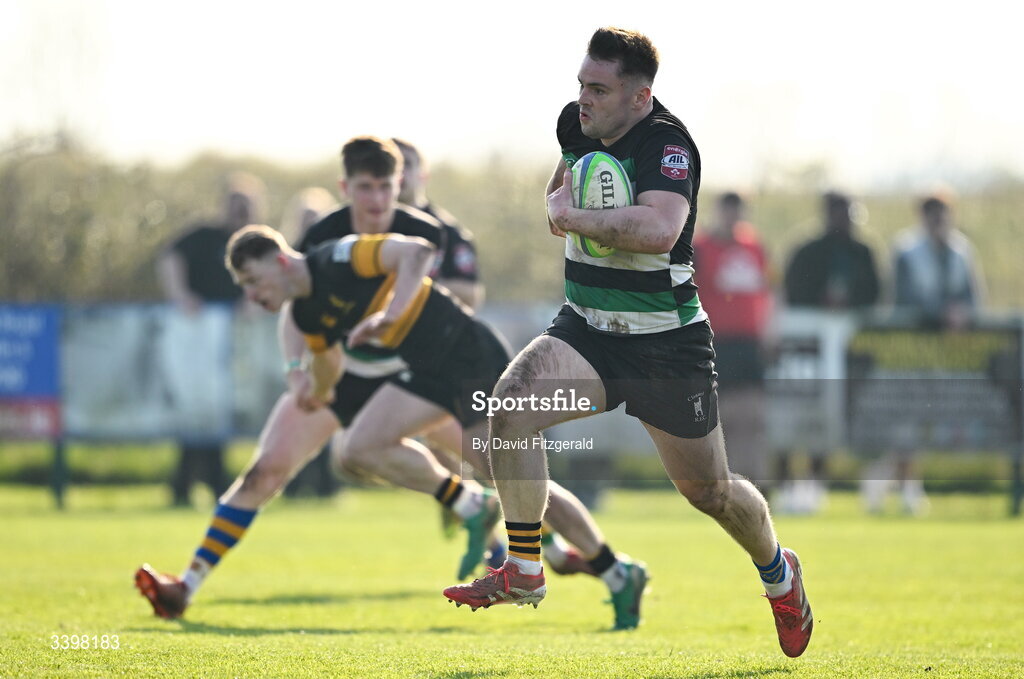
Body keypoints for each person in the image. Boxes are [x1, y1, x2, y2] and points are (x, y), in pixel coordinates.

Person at [136, 138, 643, 630]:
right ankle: (471, 506)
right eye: (366, 188)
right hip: (411, 372)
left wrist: (388, 316)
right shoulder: (317, 268)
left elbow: (427, 263)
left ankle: (611, 569)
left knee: (512, 477)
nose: (379, 199)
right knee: (343, 454)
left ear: (402, 183)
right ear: (346, 187)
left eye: (387, 186)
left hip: (464, 361)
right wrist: (307, 384)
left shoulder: (369, 246)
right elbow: (311, 333)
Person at [442, 28, 813, 658]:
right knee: (510, 407)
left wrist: (574, 218)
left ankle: (780, 574)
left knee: (710, 493)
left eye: (599, 89)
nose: (584, 99)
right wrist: (560, 204)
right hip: (588, 327)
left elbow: (659, 229)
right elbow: (557, 195)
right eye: (581, 84)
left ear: (640, 97)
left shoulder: (668, 145)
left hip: (664, 345)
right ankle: (525, 568)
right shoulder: (577, 124)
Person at [861, 193, 985, 514]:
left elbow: (974, 298)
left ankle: (892, 482)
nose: (937, 221)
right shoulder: (907, 251)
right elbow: (903, 299)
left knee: (927, 423)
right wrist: (941, 313)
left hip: (948, 354)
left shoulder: (962, 251)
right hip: (908, 351)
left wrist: (961, 313)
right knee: (906, 422)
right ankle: (902, 488)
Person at [156, 171, 266, 507]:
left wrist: (256, 298)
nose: (240, 212)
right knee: (197, 409)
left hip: (240, 342)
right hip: (198, 337)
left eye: (246, 206)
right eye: (235, 204)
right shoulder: (204, 236)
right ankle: (187, 484)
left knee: (223, 410)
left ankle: (212, 483)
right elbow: (169, 255)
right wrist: (179, 294)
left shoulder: (261, 243)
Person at [780, 191, 880, 514]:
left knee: (831, 418)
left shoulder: (863, 253)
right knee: (798, 416)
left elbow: (876, 294)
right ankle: (786, 485)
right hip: (807, 351)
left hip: (850, 354)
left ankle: (816, 483)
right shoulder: (807, 251)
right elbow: (793, 292)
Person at [692, 192, 773, 483]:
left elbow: (767, 291)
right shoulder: (700, 247)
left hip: (749, 342)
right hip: (716, 341)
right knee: (721, 416)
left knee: (753, 415)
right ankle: (724, 478)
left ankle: (755, 477)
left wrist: (769, 330)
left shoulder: (753, 246)